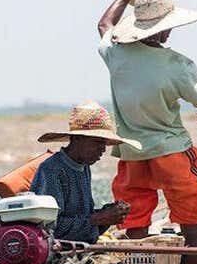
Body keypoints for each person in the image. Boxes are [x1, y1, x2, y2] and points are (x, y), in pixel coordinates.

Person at [97, 0, 197, 264]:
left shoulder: (116, 53)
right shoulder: (177, 64)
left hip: (131, 152)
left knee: (135, 214)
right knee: (191, 209)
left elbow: (104, 24)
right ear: (165, 30)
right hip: (170, 151)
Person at [30, 101, 140, 244]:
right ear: (76, 139)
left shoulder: (83, 167)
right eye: (97, 142)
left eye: (104, 143)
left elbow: (82, 219)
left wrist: (109, 215)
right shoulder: (52, 170)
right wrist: (99, 219)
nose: (103, 149)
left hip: (81, 248)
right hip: (58, 254)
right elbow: (48, 230)